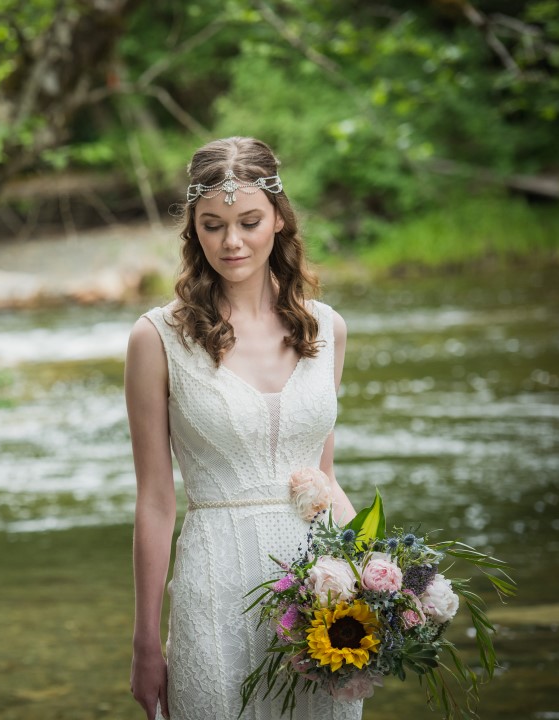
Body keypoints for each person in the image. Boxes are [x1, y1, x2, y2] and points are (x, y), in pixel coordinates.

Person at [125, 137, 361, 720]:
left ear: (279, 220)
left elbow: (325, 477)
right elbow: (156, 501)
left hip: (321, 592)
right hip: (216, 583)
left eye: (249, 222)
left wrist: (384, 584)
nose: (231, 241)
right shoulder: (157, 339)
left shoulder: (327, 328)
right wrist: (146, 642)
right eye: (212, 225)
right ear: (193, 231)